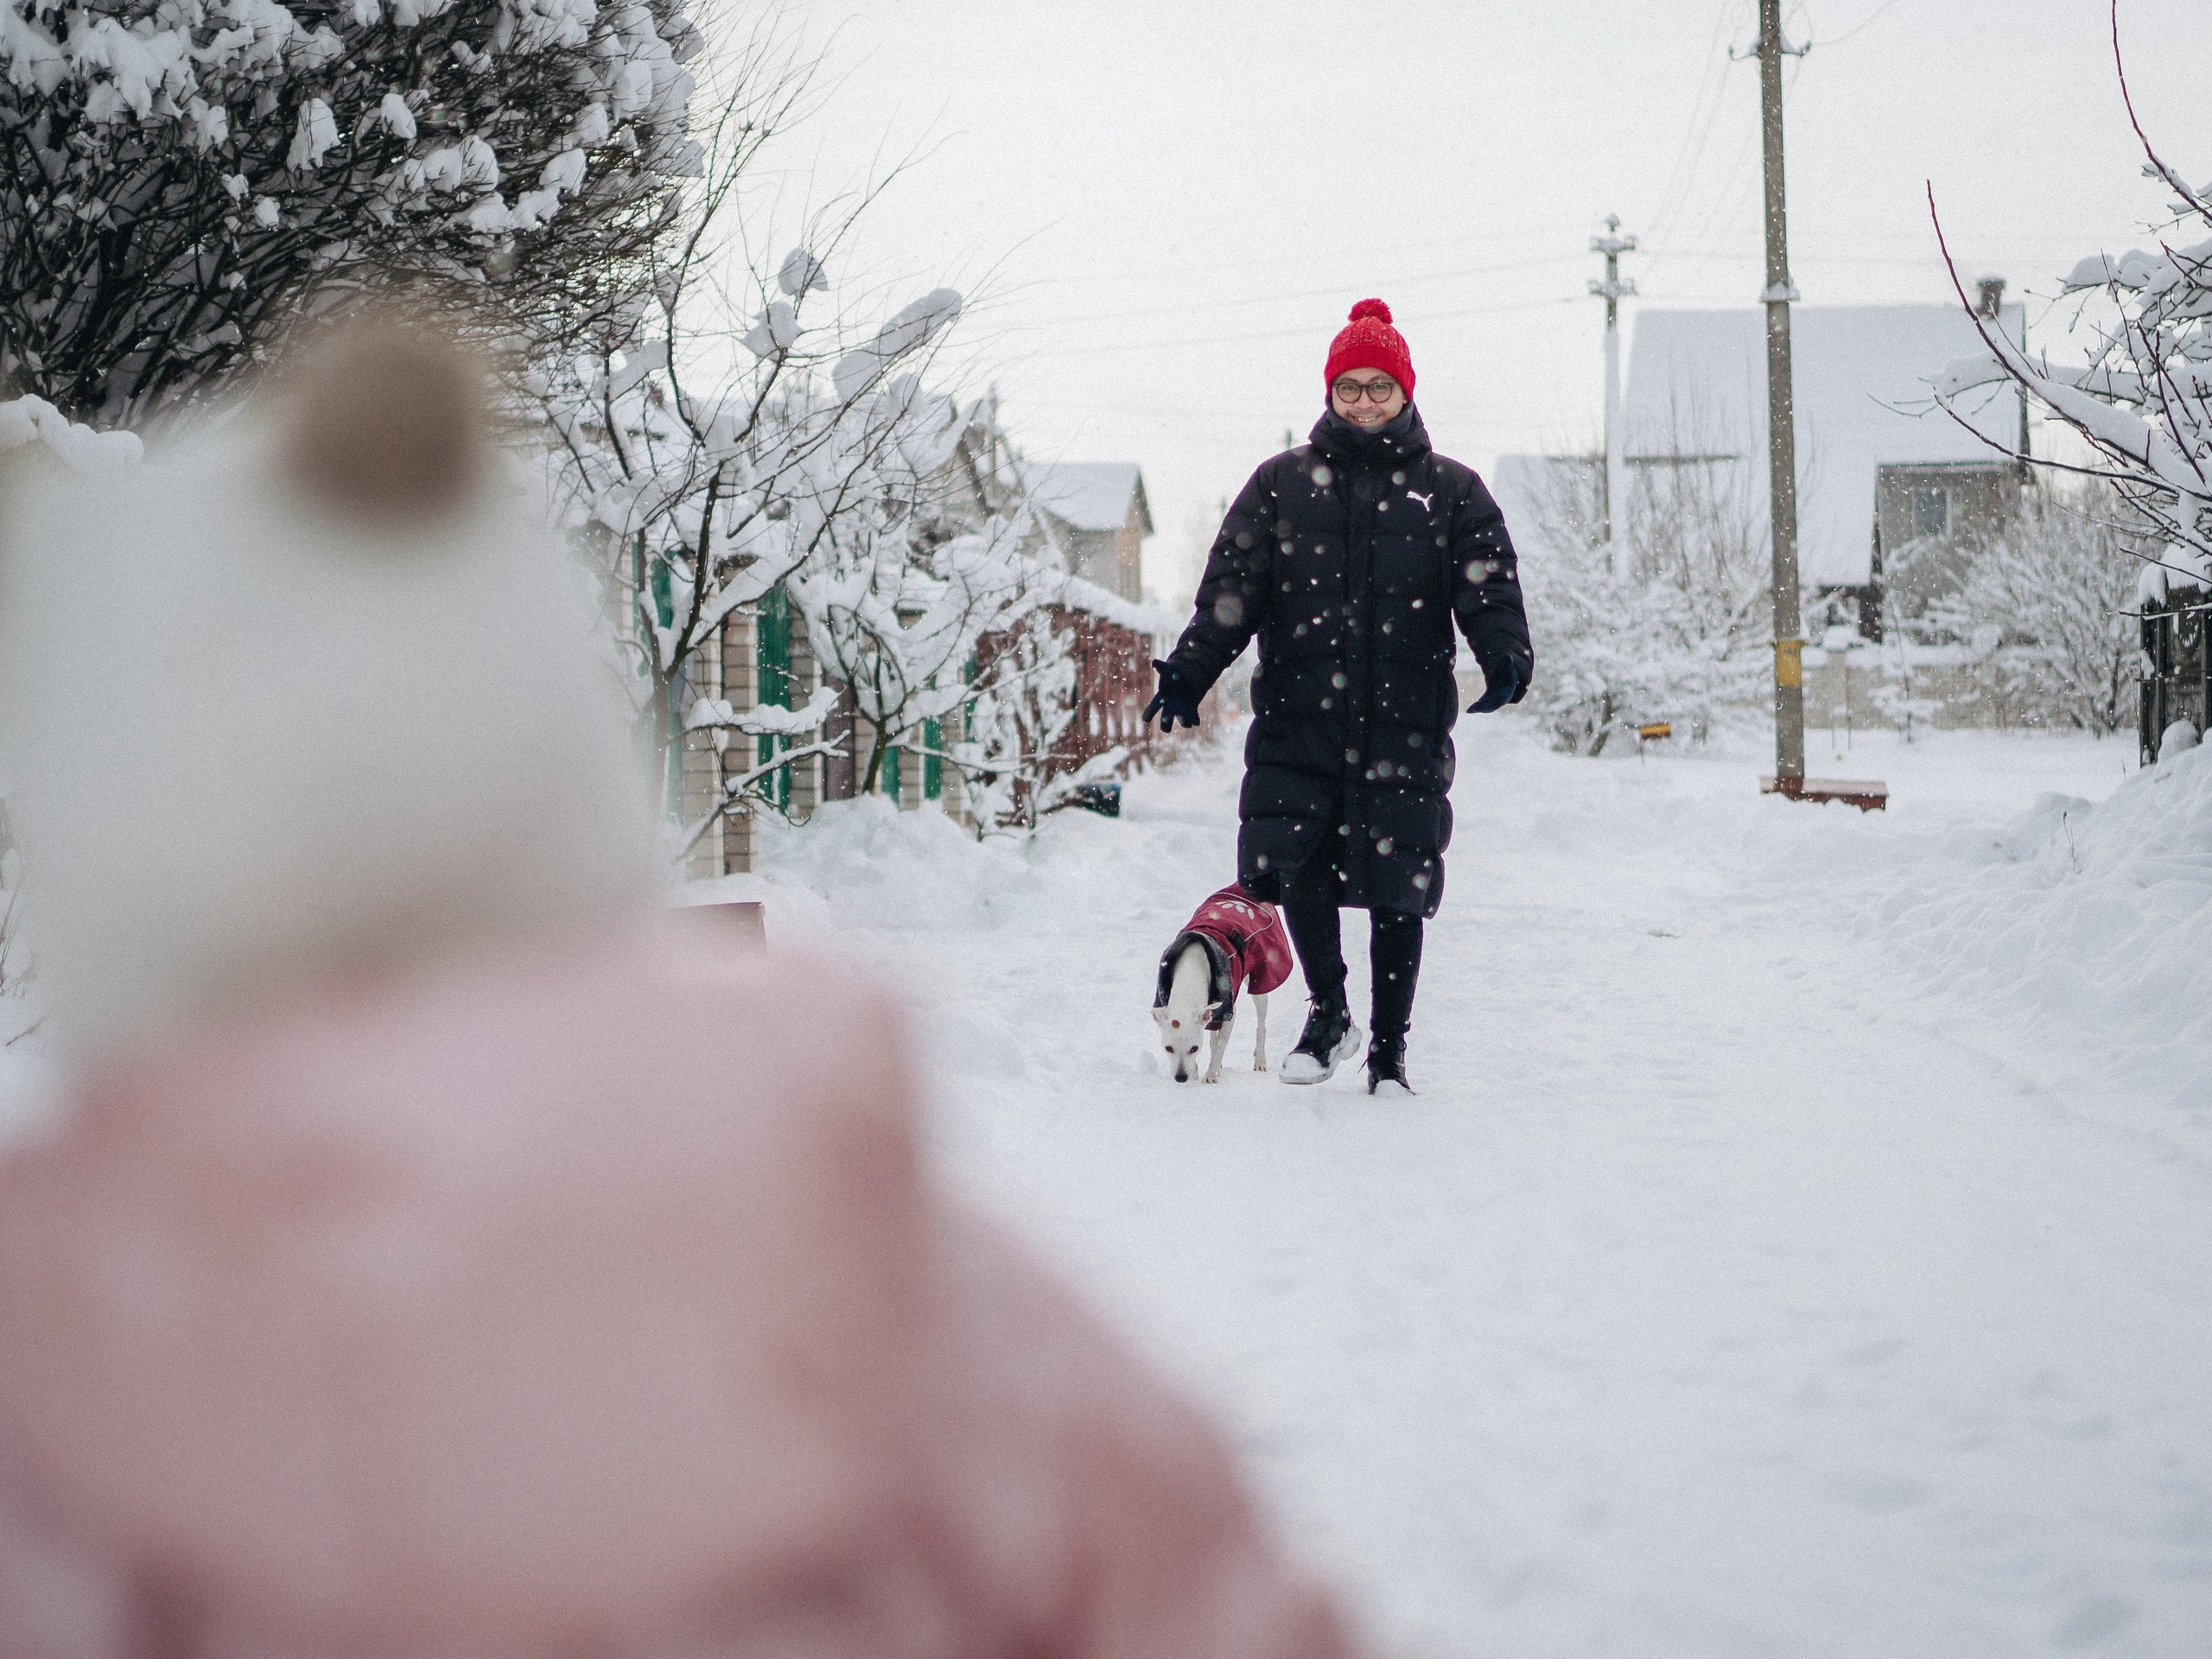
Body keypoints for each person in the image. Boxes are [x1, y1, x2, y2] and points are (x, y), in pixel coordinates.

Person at [1146, 298, 1533, 1096]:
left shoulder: (1451, 492)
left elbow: (1488, 585)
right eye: (1349, 386)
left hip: (1404, 716)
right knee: (1300, 862)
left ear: (1405, 391)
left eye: (1378, 386)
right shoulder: (1282, 485)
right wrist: (1190, 672)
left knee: (1399, 880)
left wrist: (1503, 656)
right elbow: (1231, 592)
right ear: (1329, 393)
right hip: (1300, 714)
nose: (1363, 400)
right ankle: (1329, 1011)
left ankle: (1389, 1051)